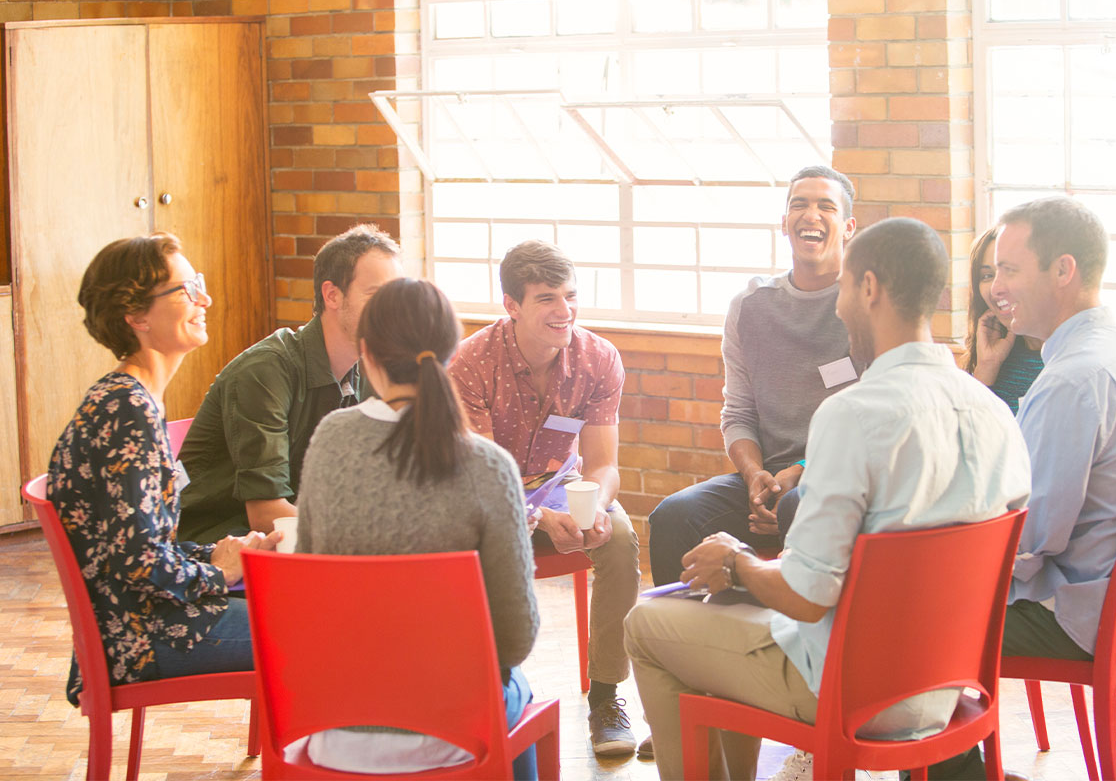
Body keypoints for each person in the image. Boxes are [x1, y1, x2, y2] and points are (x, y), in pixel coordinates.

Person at [623, 217, 1032, 781]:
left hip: (851, 689)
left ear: (868, 288)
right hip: (945, 687)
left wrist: (736, 561)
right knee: (724, 614)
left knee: (647, 625)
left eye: (842, 288)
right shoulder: (996, 413)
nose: (839, 307)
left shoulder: (852, 414)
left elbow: (808, 598)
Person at [927, 196, 1116, 779]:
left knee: (908, 619)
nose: (997, 287)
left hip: (1068, 612)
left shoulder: (1072, 380)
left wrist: (935, 542)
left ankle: (958, 772)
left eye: (1010, 270)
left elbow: (1027, 542)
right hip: (1110, 607)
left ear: (1063, 271)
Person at [292, 278, 539, 777]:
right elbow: (514, 641)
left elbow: (308, 594)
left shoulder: (330, 441)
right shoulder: (488, 466)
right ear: (452, 352)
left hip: (336, 729)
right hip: (453, 734)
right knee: (522, 690)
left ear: (366, 353)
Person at [47, 233, 280, 706]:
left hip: (150, 619)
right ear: (136, 317)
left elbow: (144, 545)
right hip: (142, 636)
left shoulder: (133, 399)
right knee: (321, 632)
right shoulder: (125, 409)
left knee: (306, 607)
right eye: (185, 289)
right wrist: (218, 572)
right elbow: (139, 563)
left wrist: (221, 552)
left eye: (199, 283)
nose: (204, 298)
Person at [448, 240, 643, 756]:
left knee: (620, 540)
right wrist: (537, 516)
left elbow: (603, 464)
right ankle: (491, 693)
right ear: (511, 305)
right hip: (489, 496)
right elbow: (482, 480)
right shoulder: (470, 363)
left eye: (571, 296)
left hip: (566, 487)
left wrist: (596, 506)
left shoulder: (599, 358)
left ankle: (605, 697)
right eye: (547, 299)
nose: (566, 311)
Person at [646, 166, 862, 588]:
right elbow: (739, 412)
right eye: (798, 205)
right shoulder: (750, 307)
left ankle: (793, 646)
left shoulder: (866, 305)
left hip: (838, 479)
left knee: (797, 507)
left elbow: (871, 424)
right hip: (767, 479)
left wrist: (800, 470)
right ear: (784, 224)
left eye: (826, 206)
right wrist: (754, 478)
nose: (810, 215)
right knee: (673, 516)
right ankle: (684, 643)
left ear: (848, 226)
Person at [177, 224, 403, 543]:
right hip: (218, 545)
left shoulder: (366, 369)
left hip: (293, 542)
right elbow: (267, 513)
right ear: (332, 295)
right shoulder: (265, 372)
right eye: (377, 295)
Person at [962, 226, 1043, 413]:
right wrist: (987, 365)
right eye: (987, 276)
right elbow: (967, 432)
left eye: (1010, 272)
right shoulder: (995, 351)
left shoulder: (1062, 357)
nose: (996, 288)